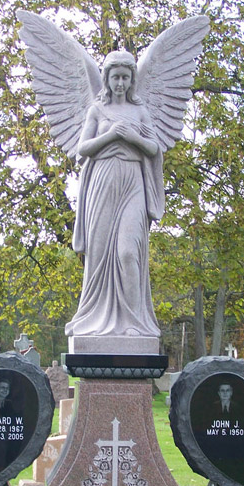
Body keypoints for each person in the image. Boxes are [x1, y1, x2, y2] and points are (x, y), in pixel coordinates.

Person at [64, 51, 164, 339]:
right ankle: (95, 320)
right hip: (103, 182)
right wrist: (112, 134)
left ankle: (135, 323)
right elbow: (83, 148)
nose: (120, 83)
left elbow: (153, 148)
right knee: (98, 255)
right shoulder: (96, 110)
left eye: (125, 77)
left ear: (132, 80)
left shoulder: (139, 111)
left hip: (133, 182)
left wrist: (133, 137)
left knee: (128, 252)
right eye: (115, 77)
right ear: (106, 79)